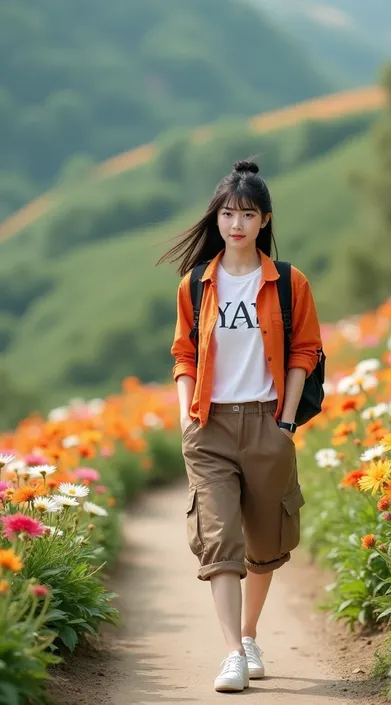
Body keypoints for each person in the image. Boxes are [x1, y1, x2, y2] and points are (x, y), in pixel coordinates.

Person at [159, 159, 322, 693]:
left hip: (267, 421)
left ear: (264, 221)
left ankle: (249, 635)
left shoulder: (289, 283)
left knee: (265, 540)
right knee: (218, 539)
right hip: (210, 427)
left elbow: (304, 350)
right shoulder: (197, 285)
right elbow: (184, 353)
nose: (236, 224)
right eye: (228, 213)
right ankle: (232, 652)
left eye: (247, 214)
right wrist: (187, 416)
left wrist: (287, 419)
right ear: (217, 218)